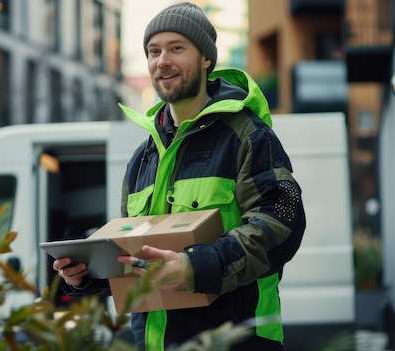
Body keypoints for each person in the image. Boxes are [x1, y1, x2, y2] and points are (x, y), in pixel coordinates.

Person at [53, 2, 306, 350]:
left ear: (205, 58)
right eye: (154, 51)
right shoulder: (143, 158)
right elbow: (135, 254)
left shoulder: (248, 135)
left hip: (234, 341)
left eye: (176, 48)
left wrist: (194, 267)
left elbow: (285, 219)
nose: (162, 61)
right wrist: (86, 276)